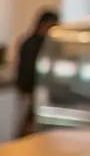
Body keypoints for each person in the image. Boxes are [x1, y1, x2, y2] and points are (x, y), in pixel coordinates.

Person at [16, 8, 59, 137]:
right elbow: (27, 69)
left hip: (38, 90)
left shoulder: (48, 44)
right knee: (30, 125)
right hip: (32, 90)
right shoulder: (33, 44)